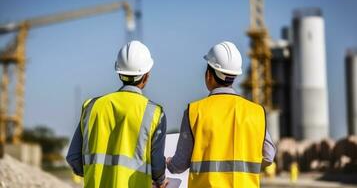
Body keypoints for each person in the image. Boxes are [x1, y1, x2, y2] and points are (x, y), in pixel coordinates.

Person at [166, 41, 276, 188]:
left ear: (209, 75)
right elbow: (269, 155)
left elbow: (179, 164)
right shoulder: (256, 112)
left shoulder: (194, 111)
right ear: (234, 77)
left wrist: (168, 163)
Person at [66, 40, 168, 188]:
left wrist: (96, 173)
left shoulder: (91, 106)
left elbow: (74, 158)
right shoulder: (153, 113)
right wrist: (160, 181)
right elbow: (157, 168)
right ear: (146, 75)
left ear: (119, 73)